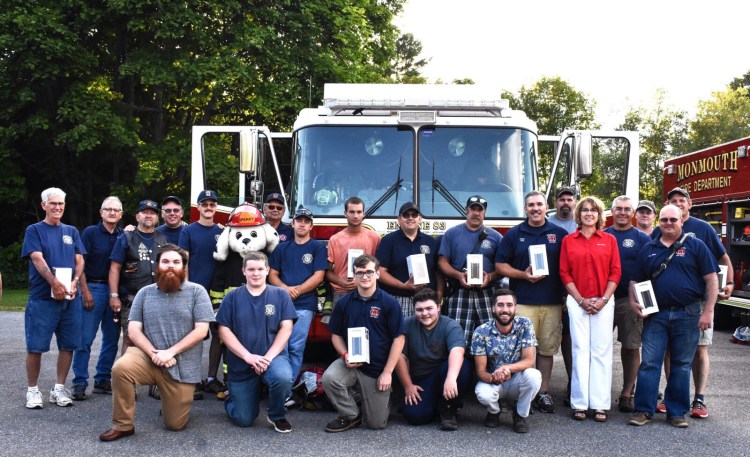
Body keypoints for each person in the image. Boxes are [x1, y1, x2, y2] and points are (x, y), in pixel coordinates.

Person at [98, 244, 214, 441]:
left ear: (183, 267)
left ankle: (169, 402)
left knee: (175, 425)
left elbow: (201, 330)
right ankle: (123, 425)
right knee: (121, 368)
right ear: (157, 267)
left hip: (182, 365)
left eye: (176, 262)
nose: (171, 266)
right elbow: (133, 330)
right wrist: (154, 354)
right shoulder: (145, 293)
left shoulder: (197, 292)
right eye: (166, 262)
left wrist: (170, 352)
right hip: (148, 357)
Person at [628, 205, 719, 428]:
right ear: (659, 221)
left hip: (688, 313)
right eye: (664, 220)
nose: (668, 223)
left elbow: (712, 279)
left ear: (681, 221)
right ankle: (643, 410)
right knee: (650, 363)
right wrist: (633, 300)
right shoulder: (649, 248)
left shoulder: (696, 246)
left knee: (681, 364)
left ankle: (677, 412)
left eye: (673, 219)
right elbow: (635, 280)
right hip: (655, 315)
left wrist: (708, 311)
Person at [651, 187, 733, 418]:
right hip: (668, 307)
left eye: (682, 201)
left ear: (690, 204)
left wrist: (730, 283)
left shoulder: (703, 229)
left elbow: (723, 257)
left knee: (699, 350)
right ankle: (671, 397)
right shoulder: (659, 230)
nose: (678, 204)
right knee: (670, 352)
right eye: (673, 201)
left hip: (698, 302)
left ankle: (699, 398)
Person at [495, 190, 568, 413]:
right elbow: (500, 266)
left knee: (546, 350)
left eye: (539, 204)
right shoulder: (514, 234)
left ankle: (543, 392)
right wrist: (523, 275)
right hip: (524, 301)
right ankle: (519, 391)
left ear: (547, 207)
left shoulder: (560, 233)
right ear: (525, 209)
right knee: (521, 350)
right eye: (531, 205)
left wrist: (567, 296)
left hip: (552, 302)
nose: (535, 209)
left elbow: (567, 267)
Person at [321, 254, 405, 432]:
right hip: (351, 364)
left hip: (377, 369)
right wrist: (345, 355)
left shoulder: (389, 303)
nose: (365, 277)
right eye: (360, 273)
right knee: (329, 378)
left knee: (376, 424)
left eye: (369, 272)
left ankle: (374, 395)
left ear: (377, 274)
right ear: (354, 275)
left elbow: (399, 338)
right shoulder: (344, 303)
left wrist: (388, 373)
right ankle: (351, 414)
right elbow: (335, 335)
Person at [218, 251, 297, 432]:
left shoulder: (280, 295)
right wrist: (248, 357)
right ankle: (232, 397)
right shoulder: (232, 297)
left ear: (268, 270)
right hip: (242, 362)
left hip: (272, 358)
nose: (256, 273)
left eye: (260, 269)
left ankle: (276, 415)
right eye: (251, 269)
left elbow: (287, 328)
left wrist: (267, 358)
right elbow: (223, 330)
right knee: (244, 419)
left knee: (283, 377)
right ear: (243, 271)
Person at [21, 187, 86, 409]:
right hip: (42, 298)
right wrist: (54, 283)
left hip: (70, 298)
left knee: (68, 345)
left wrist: (75, 282)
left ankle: (58, 388)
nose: (58, 207)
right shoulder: (34, 230)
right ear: (44, 205)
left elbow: (80, 260)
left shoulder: (71, 231)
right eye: (53, 204)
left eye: (61, 204)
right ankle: (32, 390)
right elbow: (37, 259)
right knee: (35, 346)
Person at [559, 196, 621, 422]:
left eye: (593, 210)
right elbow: (564, 273)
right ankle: (580, 403)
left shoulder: (609, 240)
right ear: (579, 214)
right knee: (580, 350)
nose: (588, 213)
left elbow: (616, 272)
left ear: (599, 215)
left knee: (601, 352)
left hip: (604, 302)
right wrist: (580, 300)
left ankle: (600, 404)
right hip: (577, 302)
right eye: (584, 210)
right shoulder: (569, 240)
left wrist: (603, 300)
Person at [394, 288, 471, 430]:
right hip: (420, 380)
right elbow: (400, 357)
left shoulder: (450, 325)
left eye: (429, 308)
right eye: (420, 310)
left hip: (443, 375)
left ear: (439, 307)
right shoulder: (407, 324)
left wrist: (451, 378)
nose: (424, 313)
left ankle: (449, 408)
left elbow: (457, 351)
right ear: (414, 310)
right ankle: (435, 403)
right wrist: (408, 386)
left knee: (463, 366)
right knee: (415, 417)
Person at [71, 196, 124, 400]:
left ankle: (102, 379)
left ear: (121, 214)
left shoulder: (124, 235)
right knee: (85, 338)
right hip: (92, 287)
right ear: (101, 212)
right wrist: (84, 291)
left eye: (116, 210)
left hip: (115, 292)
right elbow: (80, 263)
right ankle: (79, 382)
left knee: (111, 339)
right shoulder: (91, 233)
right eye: (108, 209)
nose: (112, 213)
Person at [603, 196, 651, 413]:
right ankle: (597, 390)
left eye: (626, 209)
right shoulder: (602, 236)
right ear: (611, 211)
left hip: (628, 300)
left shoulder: (641, 238)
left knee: (631, 347)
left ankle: (626, 393)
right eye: (618, 209)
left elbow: (649, 271)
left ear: (633, 213)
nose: (622, 212)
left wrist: (646, 302)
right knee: (599, 347)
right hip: (602, 299)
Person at [269, 207, 327, 382]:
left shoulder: (317, 247)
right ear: (292, 223)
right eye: (299, 220)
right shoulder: (281, 248)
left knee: (296, 347)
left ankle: (289, 387)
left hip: (305, 305)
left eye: (306, 221)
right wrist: (286, 289)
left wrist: (298, 290)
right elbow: (272, 274)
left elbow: (319, 276)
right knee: (281, 347)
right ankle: (280, 383)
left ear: (311, 226)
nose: (302, 224)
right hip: (283, 305)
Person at [471, 288, 541, 434]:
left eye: (509, 305)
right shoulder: (481, 331)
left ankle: (520, 415)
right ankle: (494, 411)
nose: (505, 309)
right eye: (500, 305)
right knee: (482, 393)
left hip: (517, 380)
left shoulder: (525, 324)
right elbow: (480, 371)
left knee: (534, 376)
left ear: (515, 308)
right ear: (493, 308)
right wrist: (494, 377)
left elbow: (529, 361)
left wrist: (507, 368)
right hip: (494, 381)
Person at [438, 195, 502, 346]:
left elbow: (503, 266)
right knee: (458, 338)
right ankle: (460, 369)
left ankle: (487, 369)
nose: (476, 213)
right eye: (473, 208)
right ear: (466, 210)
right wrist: (458, 275)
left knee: (491, 338)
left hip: (487, 293)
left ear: (484, 213)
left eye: (480, 210)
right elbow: (442, 262)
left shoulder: (496, 237)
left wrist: (491, 277)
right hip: (459, 291)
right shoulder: (452, 234)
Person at [179, 189, 224, 395]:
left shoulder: (223, 231)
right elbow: (184, 260)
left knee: (219, 335)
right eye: (204, 204)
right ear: (198, 207)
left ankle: (212, 378)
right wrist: (186, 287)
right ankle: (191, 379)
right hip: (195, 291)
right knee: (195, 337)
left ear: (216, 207)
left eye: (212, 204)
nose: (208, 207)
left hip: (217, 292)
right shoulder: (188, 231)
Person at [109, 199, 167, 356]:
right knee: (129, 338)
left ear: (157, 217)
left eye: (152, 213)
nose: (148, 215)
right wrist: (114, 296)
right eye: (145, 212)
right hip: (131, 298)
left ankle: (152, 379)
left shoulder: (163, 238)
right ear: (137, 216)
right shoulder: (126, 237)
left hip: (158, 297)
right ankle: (126, 378)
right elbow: (115, 268)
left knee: (156, 339)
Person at [376, 202, 443, 317]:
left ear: (420, 218)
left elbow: (438, 271)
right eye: (406, 215)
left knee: (427, 334)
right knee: (400, 333)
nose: (410, 218)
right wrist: (403, 286)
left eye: (414, 215)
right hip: (397, 299)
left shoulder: (431, 241)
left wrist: (439, 294)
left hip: (427, 300)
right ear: (399, 219)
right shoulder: (388, 241)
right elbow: (380, 271)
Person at [324, 196, 381, 323]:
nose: (355, 216)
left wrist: (363, 280)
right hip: (342, 293)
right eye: (352, 212)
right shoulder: (335, 239)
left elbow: (380, 269)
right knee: (341, 331)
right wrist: (342, 282)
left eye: (359, 212)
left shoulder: (374, 238)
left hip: (368, 291)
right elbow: (326, 272)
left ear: (363, 214)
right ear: (345, 213)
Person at [547, 186, 577, 404]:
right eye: (561, 199)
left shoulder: (583, 222)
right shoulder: (548, 224)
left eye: (569, 199)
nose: (565, 203)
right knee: (546, 340)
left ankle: (573, 384)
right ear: (555, 203)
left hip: (575, 291)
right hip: (549, 289)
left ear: (575, 202)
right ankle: (539, 388)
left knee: (571, 338)